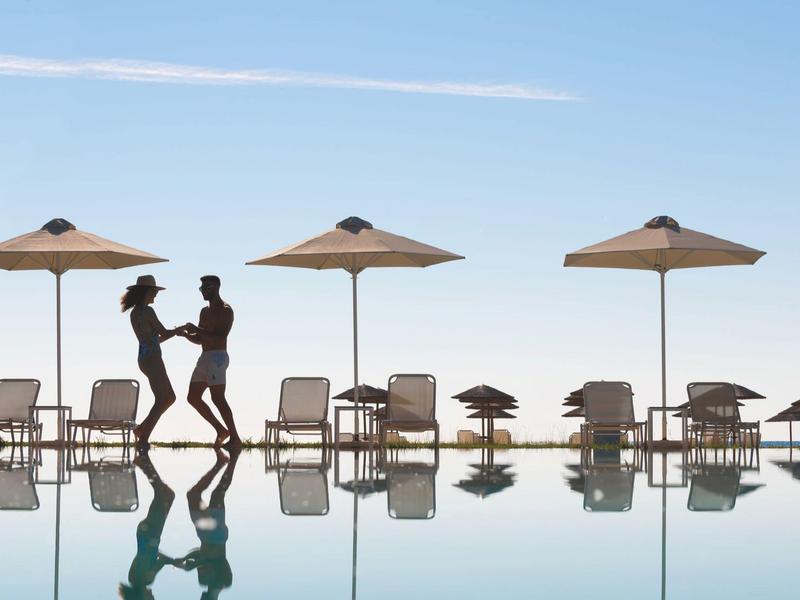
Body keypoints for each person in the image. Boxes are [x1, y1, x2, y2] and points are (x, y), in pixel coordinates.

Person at [177, 275, 242, 449]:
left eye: (206, 288)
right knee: (193, 397)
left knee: (218, 398)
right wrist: (186, 335)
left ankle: (235, 438)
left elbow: (220, 336)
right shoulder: (204, 312)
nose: (203, 292)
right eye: (201, 289)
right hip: (204, 358)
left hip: (217, 358)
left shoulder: (226, 310)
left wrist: (196, 329)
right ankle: (221, 430)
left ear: (216, 287)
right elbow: (200, 338)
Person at [121, 275, 179, 450]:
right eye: (154, 291)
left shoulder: (134, 313)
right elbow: (163, 332)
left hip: (145, 358)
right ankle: (143, 438)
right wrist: (179, 330)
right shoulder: (147, 311)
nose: (156, 294)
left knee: (169, 397)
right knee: (163, 398)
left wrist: (174, 333)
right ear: (147, 292)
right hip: (153, 358)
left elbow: (152, 339)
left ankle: (141, 430)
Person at [175, 448, 239, 600]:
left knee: (197, 495)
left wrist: (185, 559)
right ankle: (231, 460)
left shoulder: (203, 581)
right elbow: (215, 561)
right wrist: (194, 565)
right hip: (215, 535)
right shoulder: (225, 581)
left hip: (205, 535)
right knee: (216, 494)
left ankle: (223, 463)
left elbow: (201, 554)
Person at [119, 453, 177, 600]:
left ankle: (144, 463)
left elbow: (157, 559)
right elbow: (156, 556)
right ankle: (144, 465)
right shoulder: (134, 579)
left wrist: (174, 562)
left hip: (151, 534)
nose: (154, 598)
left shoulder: (144, 580)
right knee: (168, 495)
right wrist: (176, 562)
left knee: (162, 495)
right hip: (147, 535)